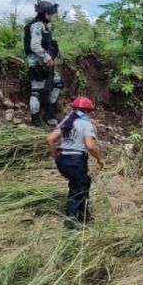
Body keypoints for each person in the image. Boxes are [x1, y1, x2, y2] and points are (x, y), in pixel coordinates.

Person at [45, 96, 104, 229]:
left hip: (63, 161)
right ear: (88, 111)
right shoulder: (86, 124)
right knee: (77, 190)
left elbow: (49, 139)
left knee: (84, 182)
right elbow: (90, 146)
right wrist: (99, 159)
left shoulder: (66, 121)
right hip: (76, 162)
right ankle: (70, 223)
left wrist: (56, 157)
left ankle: (84, 215)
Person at [24, 0, 63, 127]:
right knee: (37, 90)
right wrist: (47, 58)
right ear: (46, 13)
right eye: (51, 14)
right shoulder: (38, 25)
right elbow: (35, 45)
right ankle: (41, 118)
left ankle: (45, 115)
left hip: (38, 63)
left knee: (54, 83)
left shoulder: (38, 25)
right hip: (39, 63)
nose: (51, 17)